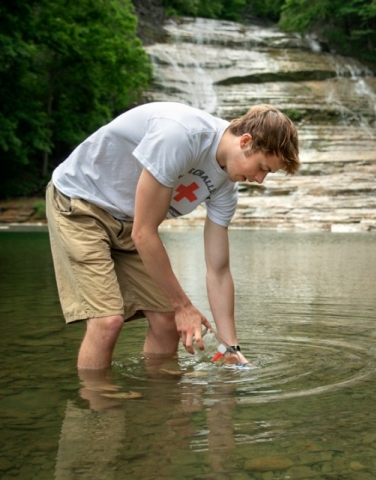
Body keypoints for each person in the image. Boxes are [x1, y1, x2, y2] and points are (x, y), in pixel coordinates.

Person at [46, 101, 300, 371]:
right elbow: (144, 233)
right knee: (107, 322)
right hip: (80, 204)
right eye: (263, 168)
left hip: (129, 221)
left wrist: (230, 347)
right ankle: (97, 406)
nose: (260, 179)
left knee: (167, 321)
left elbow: (219, 270)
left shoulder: (227, 185)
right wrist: (184, 305)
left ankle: (160, 406)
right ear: (246, 141)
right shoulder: (180, 135)